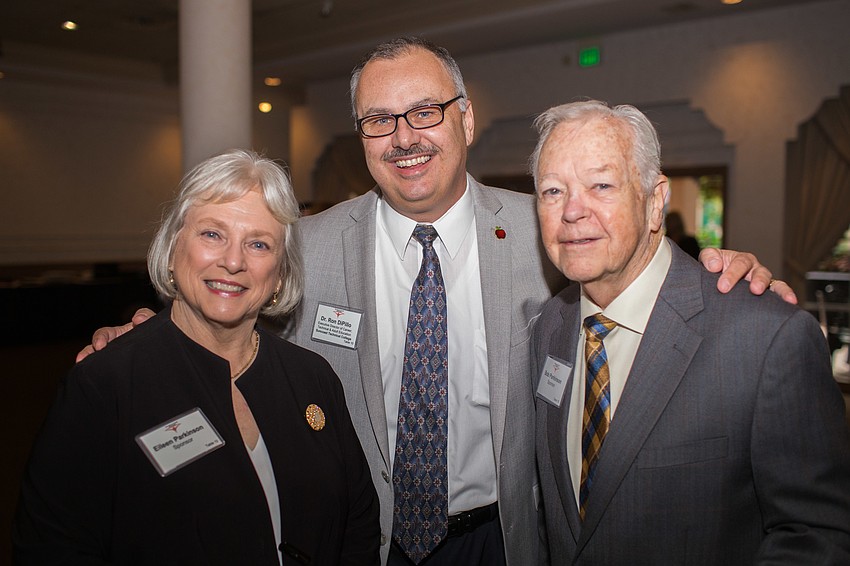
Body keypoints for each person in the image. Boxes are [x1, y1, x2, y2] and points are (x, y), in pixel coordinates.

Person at [77, 38, 794, 566]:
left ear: (466, 118)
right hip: (359, 541)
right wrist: (148, 339)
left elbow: (634, 271)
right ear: (361, 135)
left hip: (501, 540)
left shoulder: (546, 230)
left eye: (425, 111)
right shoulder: (309, 244)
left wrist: (729, 276)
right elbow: (227, 307)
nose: (404, 138)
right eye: (379, 120)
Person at [14, 150, 380, 565]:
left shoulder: (311, 376)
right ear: (172, 249)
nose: (233, 261)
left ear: (279, 274)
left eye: (258, 243)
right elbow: (54, 548)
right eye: (212, 234)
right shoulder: (105, 384)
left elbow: (358, 525)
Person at [529, 100, 850, 563]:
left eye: (601, 184)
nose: (573, 210)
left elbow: (817, 536)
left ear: (655, 201)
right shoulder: (548, 330)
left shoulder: (766, 338)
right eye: (553, 191)